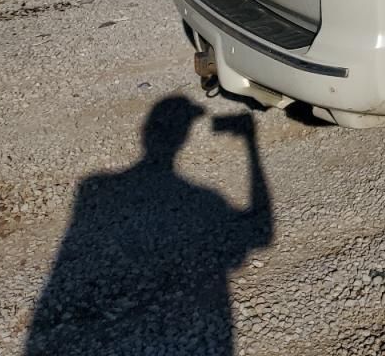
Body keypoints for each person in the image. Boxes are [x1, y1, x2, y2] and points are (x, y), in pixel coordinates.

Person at [25, 97, 273, 356]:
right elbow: (262, 234)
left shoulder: (94, 189)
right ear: (183, 137)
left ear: (144, 133)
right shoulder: (204, 199)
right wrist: (251, 145)